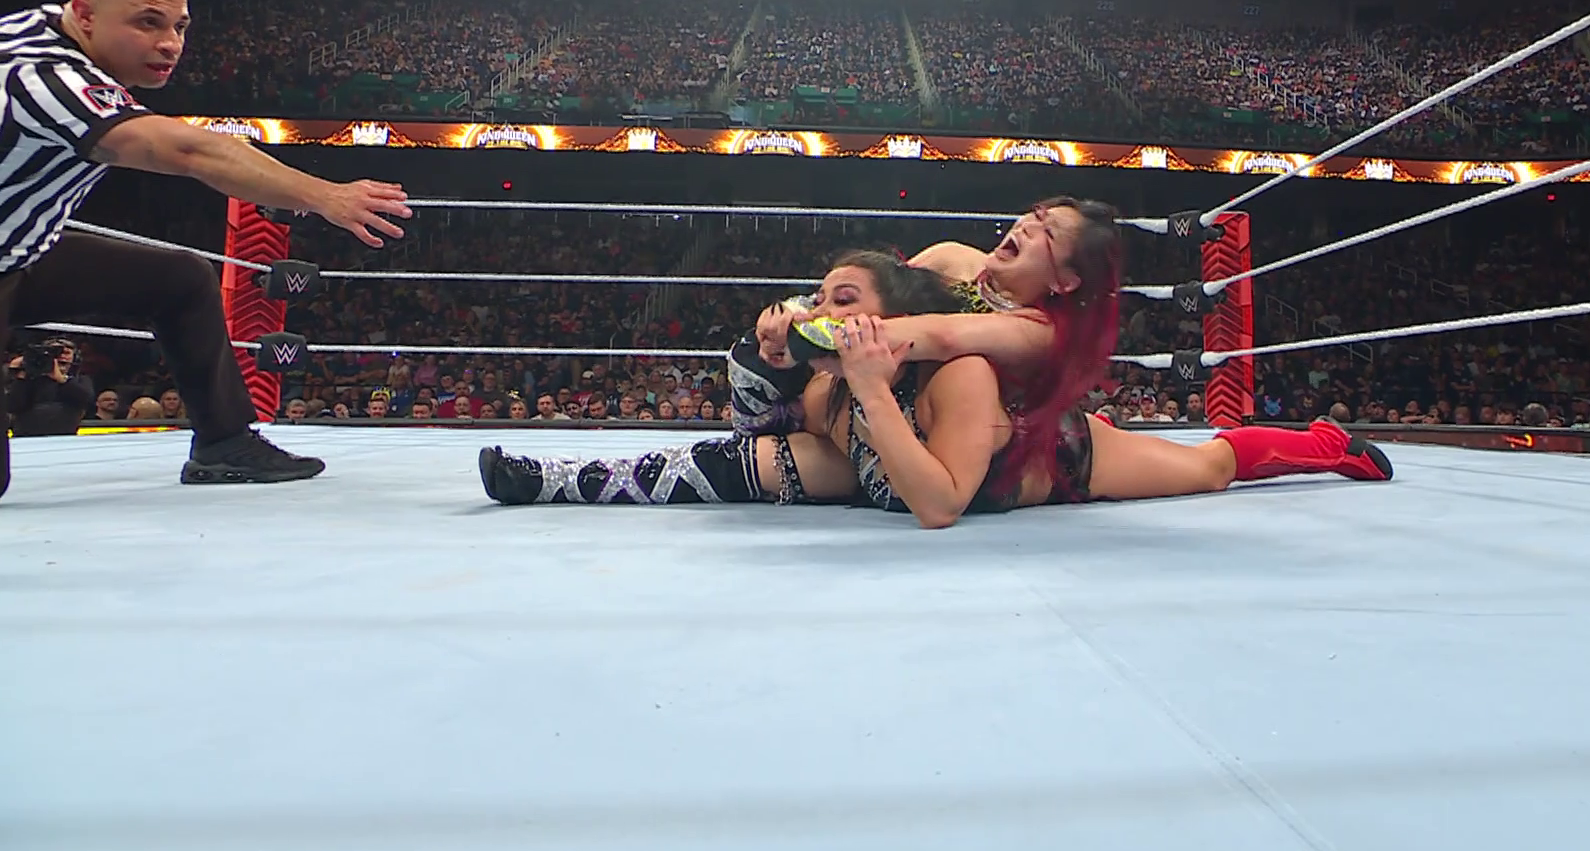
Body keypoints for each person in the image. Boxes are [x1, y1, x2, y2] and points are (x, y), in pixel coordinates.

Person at [481, 252, 1391, 527]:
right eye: (819, 297)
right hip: (875, 447)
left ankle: (1322, 446)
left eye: (846, 302)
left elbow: (940, 505)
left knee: (1209, 467)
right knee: (740, 465)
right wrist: (766, 354)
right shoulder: (831, 392)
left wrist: (874, 393)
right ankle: (549, 480)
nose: (824, 312)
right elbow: (744, 433)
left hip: (1042, 462)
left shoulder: (958, 375)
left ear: (895, 319)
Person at [0, 0, 413, 499]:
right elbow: (193, 152)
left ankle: (224, 443)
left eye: (179, 26)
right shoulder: (43, 79)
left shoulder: (54, 22)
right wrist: (327, 196)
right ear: (86, 15)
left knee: (180, 279)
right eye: (149, 24)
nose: (170, 44)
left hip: (19, 253)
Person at [4, 338, 93, 437]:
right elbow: (12, 406)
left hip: (64, 439)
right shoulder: (28, 380)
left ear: (74, 358)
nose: (61, 356)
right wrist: (22, 373)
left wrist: (60, 379)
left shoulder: (81, 380)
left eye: (66, 353)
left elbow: (86, 400)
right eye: (54, 353)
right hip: (26, 438)